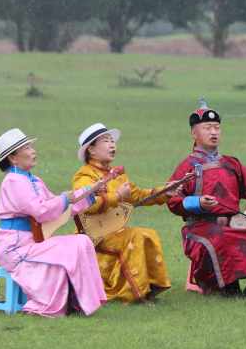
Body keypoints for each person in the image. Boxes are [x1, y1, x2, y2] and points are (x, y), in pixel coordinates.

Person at [167, 101, 246, 302]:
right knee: (220, 238)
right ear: (194, 133)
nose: (214, 132)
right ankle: (228, 286)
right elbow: (173, 200)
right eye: (207, 128)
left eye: (217, 128)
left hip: (233, 226)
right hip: (200, 229)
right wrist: (198, 203)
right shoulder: (187, 166)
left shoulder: (231, 163)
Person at [0, 128, 108, 317]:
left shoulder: (34, 180)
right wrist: (66, 199)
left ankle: (84, 301)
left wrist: (90, 194)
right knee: (68, 250)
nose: (33, 151)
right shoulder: (13, 181)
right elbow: (41, 211)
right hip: (16, 247)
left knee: (82, 241)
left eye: (31, 146)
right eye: (27, 148)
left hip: (34, 241)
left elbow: (57, 209)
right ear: (13, 158)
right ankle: (48, 305)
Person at [72, 123, 173, 304]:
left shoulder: (116, 175)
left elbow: (137, 195)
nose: (112, 144)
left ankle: (151, 286)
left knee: (148, 234)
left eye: (112, 141)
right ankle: (135, 294)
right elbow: (85, 205)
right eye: (106, 141)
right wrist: (117, 197)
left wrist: (165, 192)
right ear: (91, 150)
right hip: (94, 234)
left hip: (115, 230)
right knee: (135, 236)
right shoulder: (84, 176)